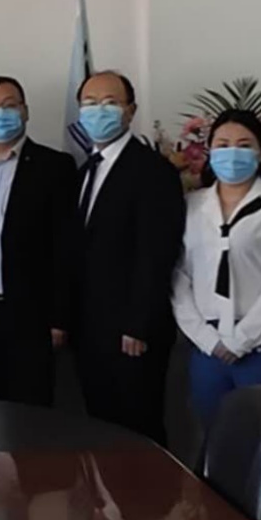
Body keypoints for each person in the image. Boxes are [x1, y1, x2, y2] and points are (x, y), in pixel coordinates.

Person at [171, 110, 261, 431]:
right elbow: (180, 274)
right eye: (223, 144)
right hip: (207, 343)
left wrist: (244, 338)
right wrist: (204, 337)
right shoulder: (192, 205)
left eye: (244, 145)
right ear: (209, 150)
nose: (232, 153)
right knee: (214, 435)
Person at [69, 71, 182, 445]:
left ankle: (150, 488)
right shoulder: (86, 171)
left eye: (110, 103)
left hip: (131, 331)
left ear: (130, 111)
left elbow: (157, 252)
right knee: (102, 427)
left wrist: (139, 324)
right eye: (90, 103)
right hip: (91, 327)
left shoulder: (153, 170)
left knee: (138, 428)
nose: (98, 111)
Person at [0, 76, 77, 406]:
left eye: (9, 105)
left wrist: (59, 318)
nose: (0, 114)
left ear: (25, 111)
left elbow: (65, 248)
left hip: (31, 316)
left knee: (32, 410)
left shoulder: (54, 167)